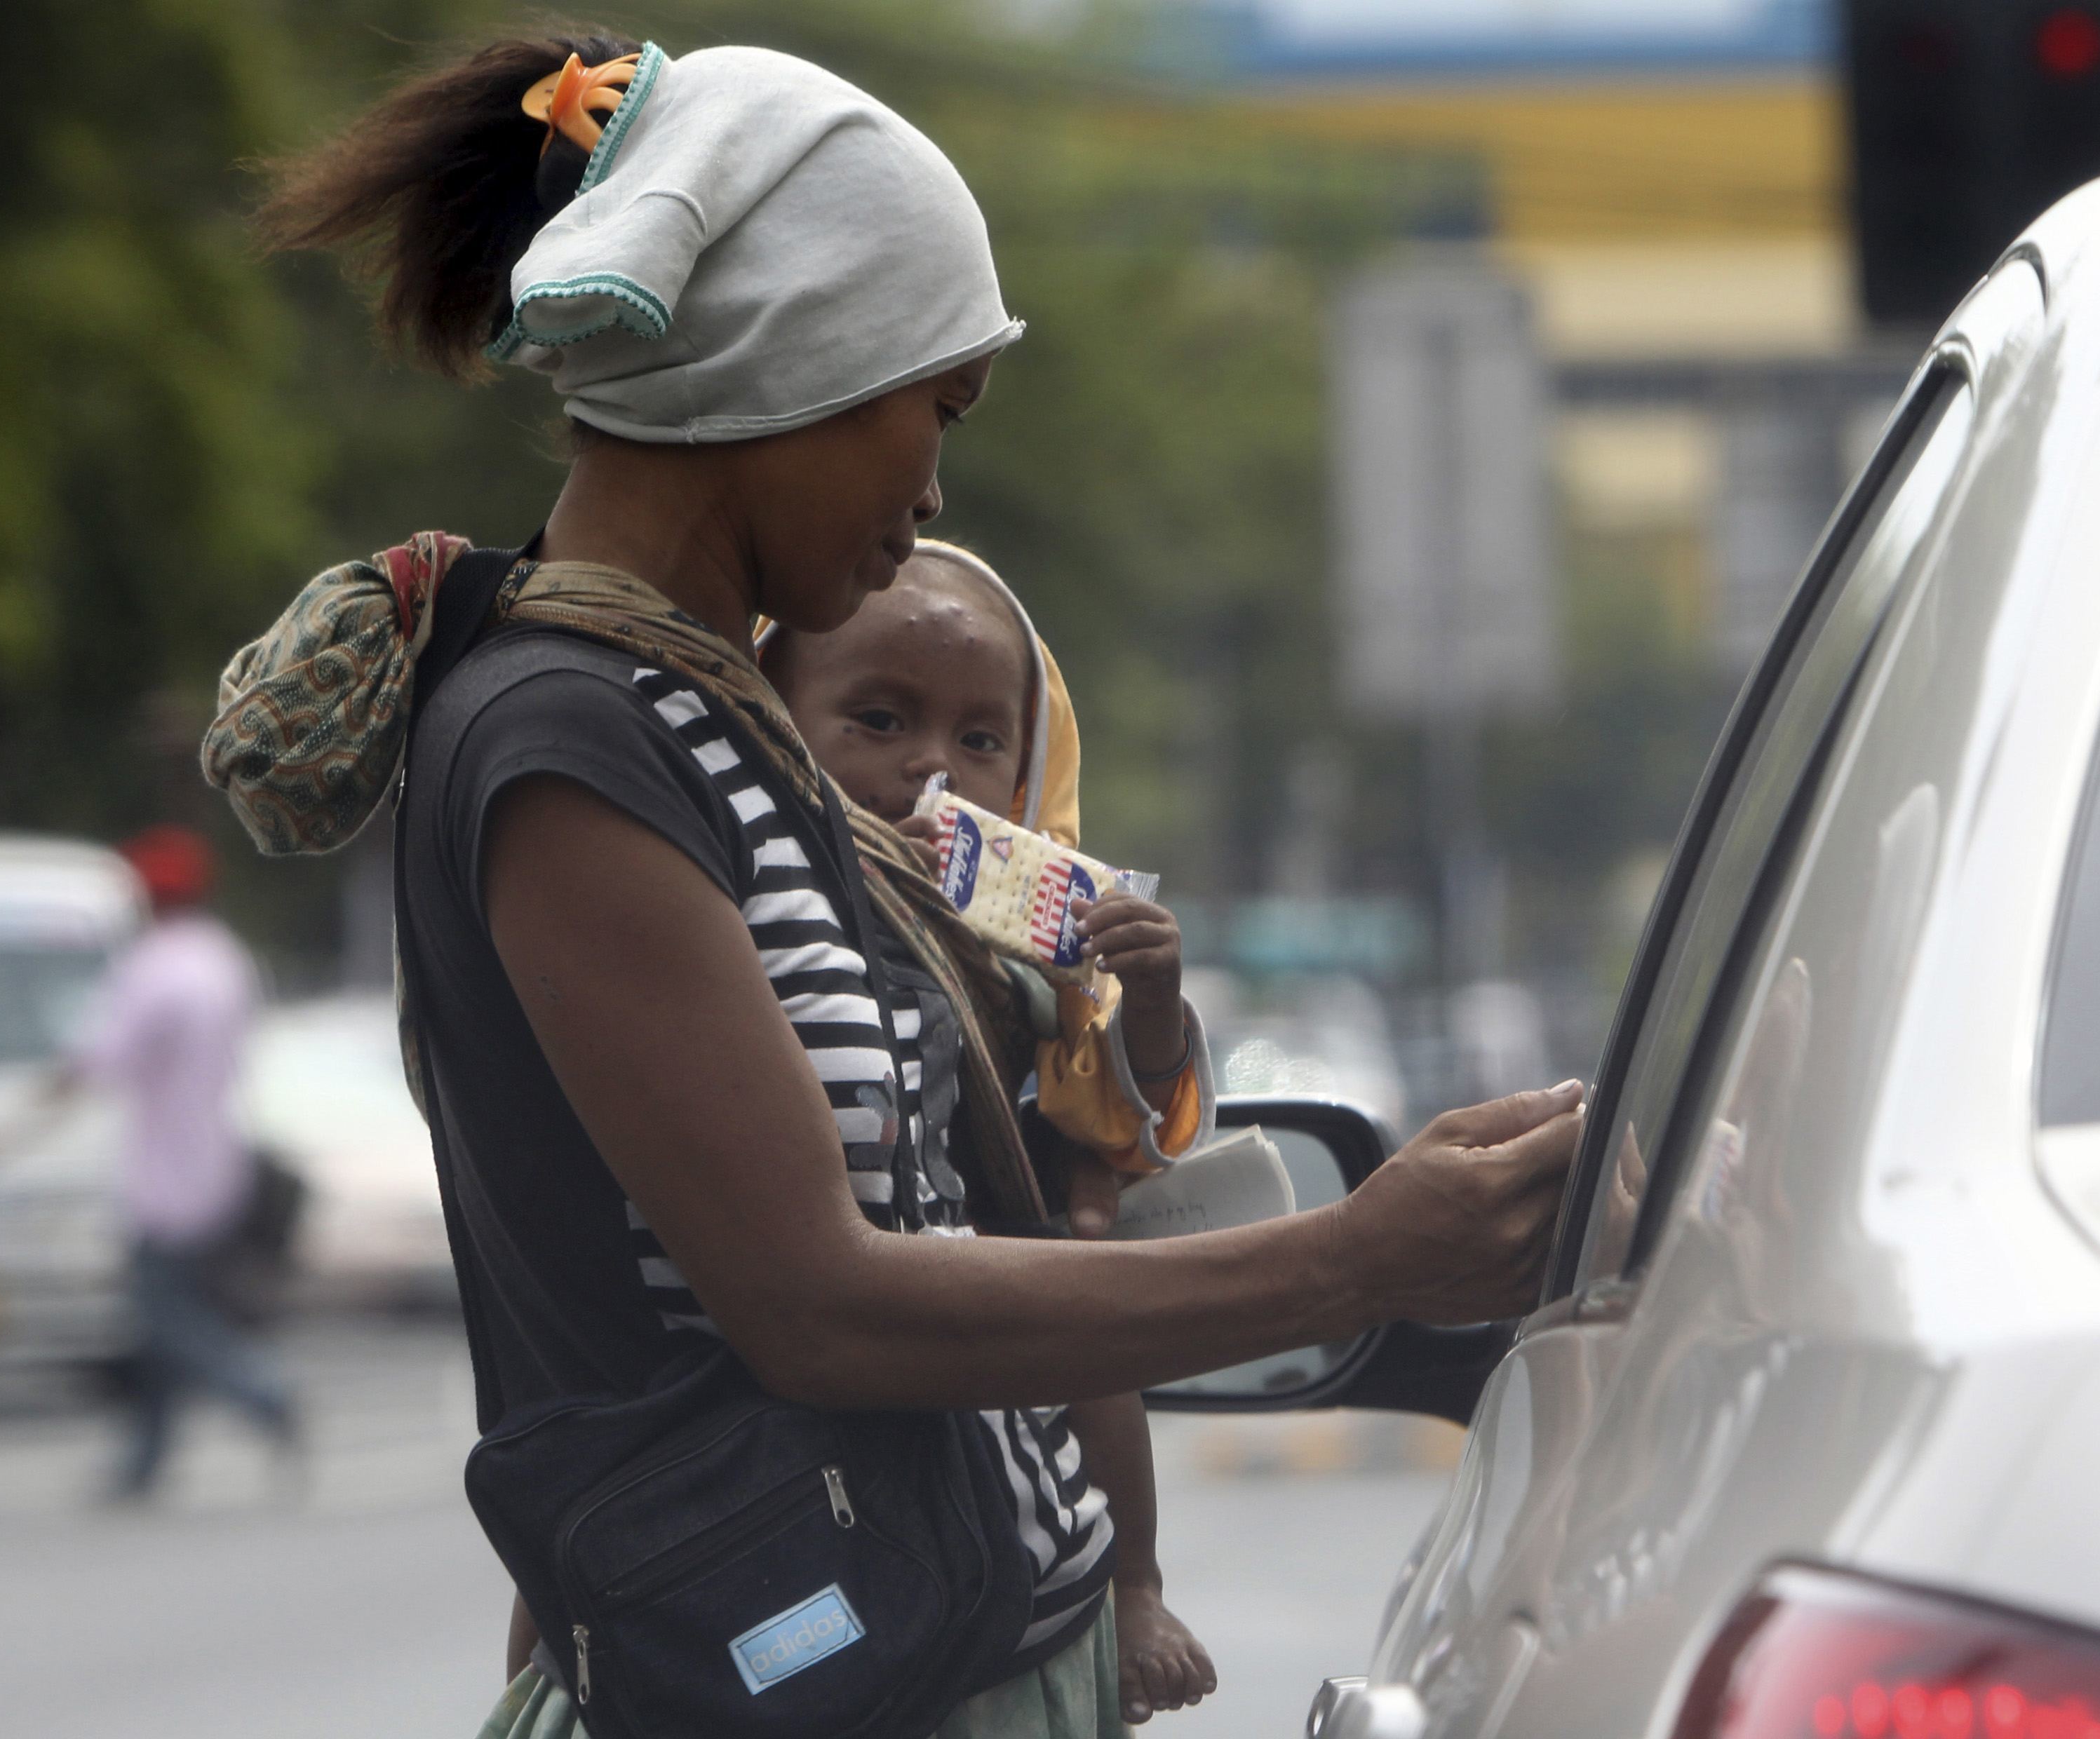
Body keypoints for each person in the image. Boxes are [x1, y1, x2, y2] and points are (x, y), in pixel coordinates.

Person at [207, 29, 1582, 1739]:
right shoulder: (569, 740)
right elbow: (819, 1305)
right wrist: (1352, 1263)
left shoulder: (724, 727)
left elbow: (958, 1206)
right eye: (936, 405)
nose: (935, 483)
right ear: (800, 363)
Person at [765, 541, 1219, 1724]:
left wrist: (1152, 998)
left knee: (1085, 1329)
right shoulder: (743, 919)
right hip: (810, 1332)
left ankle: (1134, 1584)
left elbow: (1123, 1116)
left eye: (979, 743)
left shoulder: (1023, 953)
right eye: (876, 720)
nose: (932, 773)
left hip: (1003, 1292)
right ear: (770, 726)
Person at [72, 826, 297, 1501]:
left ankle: (264, 1394)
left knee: (165, 1314)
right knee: (162, 1312)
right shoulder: (222, 958)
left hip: (167, 1176)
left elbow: (101, 1056)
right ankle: (145, 1459)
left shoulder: (156, 967)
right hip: (216, 1159)